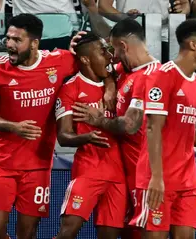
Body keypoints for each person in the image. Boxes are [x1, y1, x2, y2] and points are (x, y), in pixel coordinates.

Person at [0, 14, 116, 239]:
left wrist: (109, 87)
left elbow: (103, 66)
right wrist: (14, 127)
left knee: (28, 232)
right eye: (8, 38)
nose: (10, 45)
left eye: (17, 40)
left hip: (39, 164)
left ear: (34, 43)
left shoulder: (60, 61)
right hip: (3, 162)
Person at [130, 18, 196, 239]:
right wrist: (157, 178)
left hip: (188, 182)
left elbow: (184, 130)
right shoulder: (163, 75)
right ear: (193, 44)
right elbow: (153, 128)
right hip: (158, 179)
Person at [71, 18, 160, 239]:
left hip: (144, 174)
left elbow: (130, 125)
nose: (113, 57)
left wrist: (98, 120)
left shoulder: (153, 76)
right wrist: (110, 86)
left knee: (143, 234)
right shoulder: (127, 70)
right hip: (124, 173)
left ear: (123, 46)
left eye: (115, 50)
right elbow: (106, 70)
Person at [54, 32, 126, 239]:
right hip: (88, 171)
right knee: (67, 233)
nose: (109, 56)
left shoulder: (116, 80)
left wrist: (111, 86)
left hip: (118, 175)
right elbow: (64, 136)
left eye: (108, 50)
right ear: (85, 59)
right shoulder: (70, 89)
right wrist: (87, 137)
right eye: (102, 52)